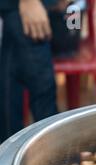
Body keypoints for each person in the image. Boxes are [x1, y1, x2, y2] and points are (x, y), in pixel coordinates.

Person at [0, 0, 59, 143]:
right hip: (23, 8)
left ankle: (6, 149)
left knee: (11, 69)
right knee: (43, 90)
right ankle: (53, 154)